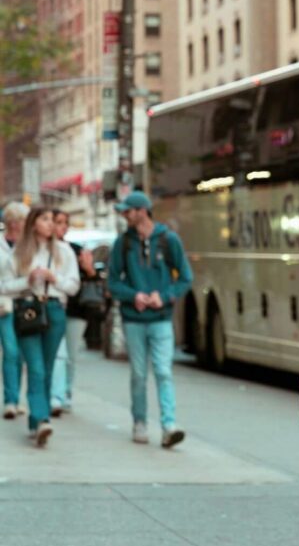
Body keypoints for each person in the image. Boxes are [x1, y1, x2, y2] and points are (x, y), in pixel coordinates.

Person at [107, 190, 192, 448]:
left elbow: (186, 278)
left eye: (127, 211)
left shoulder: (168, 240)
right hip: (134, 319)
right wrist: (134, 296)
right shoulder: (123, 243)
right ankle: (140, 421)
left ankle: (169, 425)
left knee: (164, 372)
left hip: (161, 318)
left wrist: (164, 296)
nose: (124, 215)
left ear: (142, 211)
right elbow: (112, 282)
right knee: (139, 374)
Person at [0, 206, 79, 447]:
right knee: (35, 368)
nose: (50, 224)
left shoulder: (64, 251)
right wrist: (29, 279)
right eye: (45, 219)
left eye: (52, 220)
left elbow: (74, 286)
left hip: (55, 310)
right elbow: (3, 286)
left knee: (46, 366)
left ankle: (36, 419)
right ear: (34, 223)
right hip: (28, 311)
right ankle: (43, 418)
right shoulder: (20, 253)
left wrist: (55, 279)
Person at [50, 211, 104, 415]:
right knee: (55, 354)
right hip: (53, 307)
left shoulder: (76, 250)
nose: (62, 227)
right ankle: (55, 394)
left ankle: (65, 392)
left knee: (70, 355)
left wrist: (88, 269)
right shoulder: (43, 250)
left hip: (76, 309)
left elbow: (94, 279)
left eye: (65, 223)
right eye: (58, 222)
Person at [0, 201, 30, 419]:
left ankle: (15, 398)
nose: (22, 225)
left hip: (23, 305)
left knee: (18, 354)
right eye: (20, 220)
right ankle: (10, 400)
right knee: (10, 351)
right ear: (11, 222)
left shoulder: (28, 247)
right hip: (3, 306)